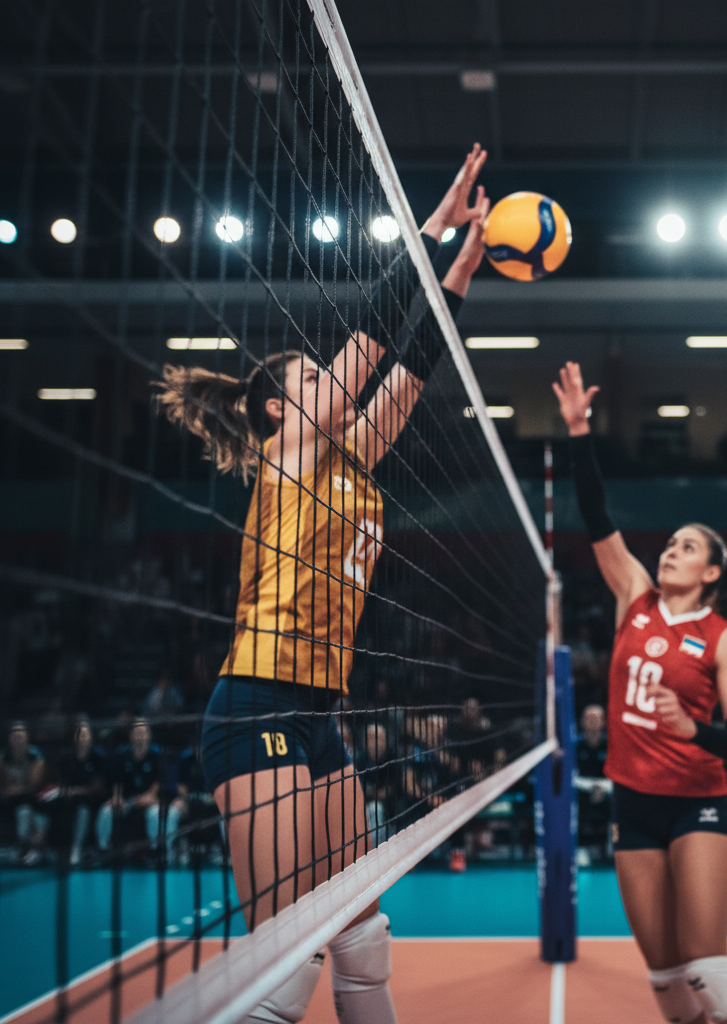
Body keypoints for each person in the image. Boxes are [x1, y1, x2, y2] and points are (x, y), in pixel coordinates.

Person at [155, 145, 490, 1024]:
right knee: (284, 953)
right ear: (276, 409)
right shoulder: (289, 451)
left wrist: (457, 272)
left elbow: (408, 371)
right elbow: (374, 332)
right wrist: (431, 227)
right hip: (257, 704)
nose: (331, 379)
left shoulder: (351, 460)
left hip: (320, 713)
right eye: (311, 376)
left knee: (359, 932)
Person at [553, 361, 727, 1024]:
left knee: (712, 978)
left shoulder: (722, 636)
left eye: (687, 548)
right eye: (670, 543)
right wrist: (578, 431)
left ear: (710, 572)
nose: (671, 551)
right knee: (670, 990)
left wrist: (692, 730)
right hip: (634, 806)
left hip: (698, 807)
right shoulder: (634, 597)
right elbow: (595, 513)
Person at [96, 718, 178, 859]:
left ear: (149, 735)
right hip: (127, 800)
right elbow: (117, 780)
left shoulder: (157, 755)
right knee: (106, 812)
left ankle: (158, 851)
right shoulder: (121, 756)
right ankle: (103, 849)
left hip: (150, 800)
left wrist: (151, 796)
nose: (140, 736)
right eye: (137, 732)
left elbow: (160, 781)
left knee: (155, 814)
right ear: (131, 735)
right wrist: (117, 797)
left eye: (143, 732)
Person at [59, 719, 108, 865]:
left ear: (91, 737)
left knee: (83, 808)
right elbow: (62, 782)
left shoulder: (98, 756)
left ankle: (77, 848)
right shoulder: (67, 756)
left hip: (93, 799)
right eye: (80, 735)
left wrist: (79, 790)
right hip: (70, 798)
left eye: (86, 735)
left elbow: (98, 787)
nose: (83, 739)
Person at [0, 722, 49, 865]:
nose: (18, 740)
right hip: (9, 802)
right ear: (10, 739)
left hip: (32, 802)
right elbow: (3, 786)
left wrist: (16, 788)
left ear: (27, 738)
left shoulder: (36, 756)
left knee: (25, 812)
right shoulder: (3, 757)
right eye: (15, 736)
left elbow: (34, 785)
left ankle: (29, 849)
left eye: (21, 736)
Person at [576, 704, 611, 863]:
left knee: (621, 805)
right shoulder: (574, 745)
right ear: (582, 722)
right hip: (583, 790)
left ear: (603, 722)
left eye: (596, 718)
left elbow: (616, 774)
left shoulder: (612, 744)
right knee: (575, 805)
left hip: (607, 789)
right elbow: (572, 776)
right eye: (588, 718)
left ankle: (614, 845)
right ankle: (579, 848)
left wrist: (601, 788)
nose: (592, 722)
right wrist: (592, 788)